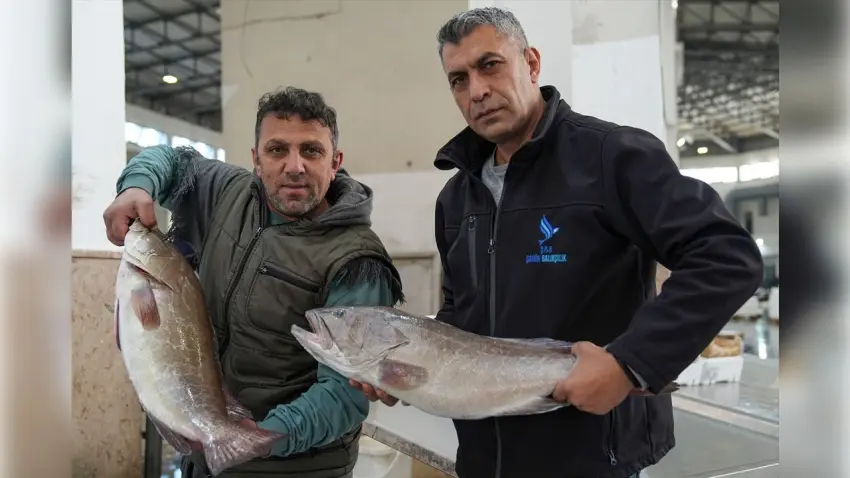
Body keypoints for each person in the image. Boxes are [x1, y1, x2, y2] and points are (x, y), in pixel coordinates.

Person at [350, 7, 763, 478]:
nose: (477, 91)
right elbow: (460, 314)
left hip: (590, 455)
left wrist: (628, 364)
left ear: (530, 63)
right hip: (486, 460)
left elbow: (726, 257)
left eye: (490, 65)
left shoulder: (611, 157)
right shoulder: (456, 198)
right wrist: (409, 370)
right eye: (458, 79)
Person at [103, 87, 404, 477]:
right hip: (205, 457)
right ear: (256, 160)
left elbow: (345, 394)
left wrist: (256, 438)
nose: (294, 165)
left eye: (311, 150)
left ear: (335, 162)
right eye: (277, 150)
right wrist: (136, 186)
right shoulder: (229, 192)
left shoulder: (357, 261)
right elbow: (173, 161)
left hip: (292, 467)